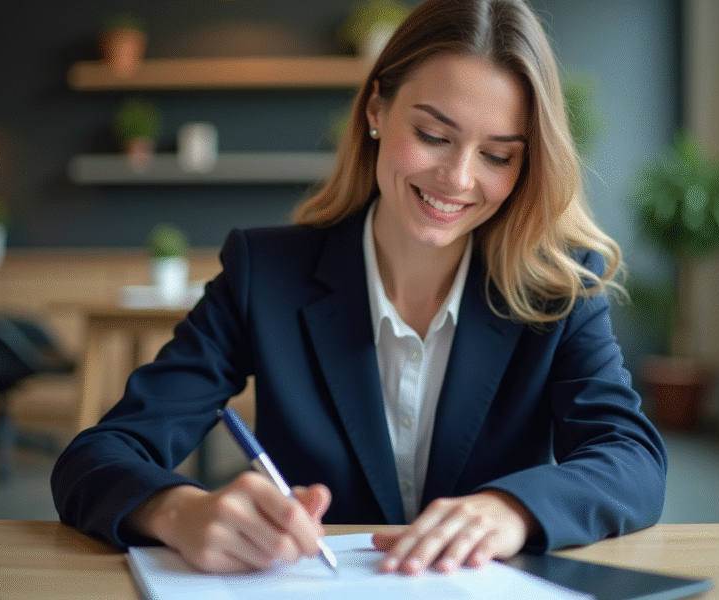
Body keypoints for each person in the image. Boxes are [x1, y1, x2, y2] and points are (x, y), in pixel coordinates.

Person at [51, 0, 667, 577]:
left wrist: (513, 510)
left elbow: (633, 460)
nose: (457, 178)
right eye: (432, 135)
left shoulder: (559, 287)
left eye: (499, 156)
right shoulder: (263, 273)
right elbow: (97, 456)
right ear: (376, 110)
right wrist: (179, 512)